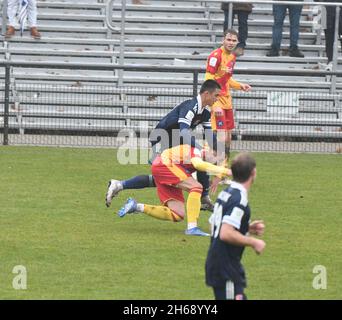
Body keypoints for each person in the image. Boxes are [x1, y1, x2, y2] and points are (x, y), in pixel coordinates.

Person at [106, 79, 223, 211]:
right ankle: (120, 185)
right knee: (166, 176)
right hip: (162, 141)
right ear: (207, 94)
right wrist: (201, 151)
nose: (217, 99)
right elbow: (184, 133)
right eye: (216, 95)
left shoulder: (205, 113)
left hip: (174, 144)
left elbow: (209, 136)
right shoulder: (191, 106)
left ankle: (119, 185)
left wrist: (221, 152)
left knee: (165, 178)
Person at [117, 144, 231, 236]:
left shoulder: (199, 153)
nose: (215, 161)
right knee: (196, 187)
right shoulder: (196, 151)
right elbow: (198, 164)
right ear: (209, 149)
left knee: (177, 214)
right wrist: (226, 171)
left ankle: (136, 206)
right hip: (164, 164)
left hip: (164, 167)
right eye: (217, 157)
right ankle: (192, 228)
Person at [205, 152, 266, 300]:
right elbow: (225, 233)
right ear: (253, 173)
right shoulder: (239, 199)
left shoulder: (226, 193)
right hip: (226, 267)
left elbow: (213, 223)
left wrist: (247, 227)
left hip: (220, 263)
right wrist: (254, 242)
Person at [205, 29, 251, 185]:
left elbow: (227, 80)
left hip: (227, 103)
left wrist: (240, 86)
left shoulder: (232, 57)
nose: (231, 43)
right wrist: (214, 101)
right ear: (223, 40)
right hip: (217, 103)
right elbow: (209, 79)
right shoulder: (215, 56)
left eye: (234, 40)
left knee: (228, 139)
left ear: (237, 42)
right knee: (220, 138)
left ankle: (221, 172)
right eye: (228, 40)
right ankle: (210, 171)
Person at [322, 0, 342, 70]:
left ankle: (330, 59)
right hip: (325, 9)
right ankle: (330, 59)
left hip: (327, 8)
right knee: (328, 38)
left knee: (329, 38)